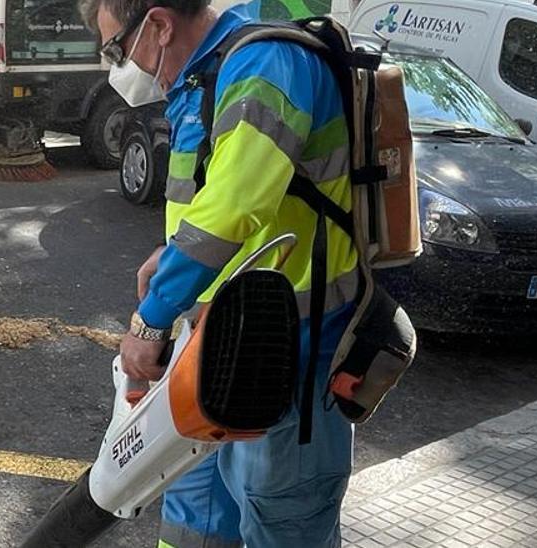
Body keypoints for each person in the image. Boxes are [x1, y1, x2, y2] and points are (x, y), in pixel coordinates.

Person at [82, 0, 361, 546]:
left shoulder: (264, 66)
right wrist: (173, 258)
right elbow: (221, 204)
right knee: (194, 510)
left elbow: (235, 206)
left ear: (159, 25)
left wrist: (150, 320)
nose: (116, 68)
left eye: (116, 50)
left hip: (289, 353)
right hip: (215, 344)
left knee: (282, 516)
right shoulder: (206, 76)